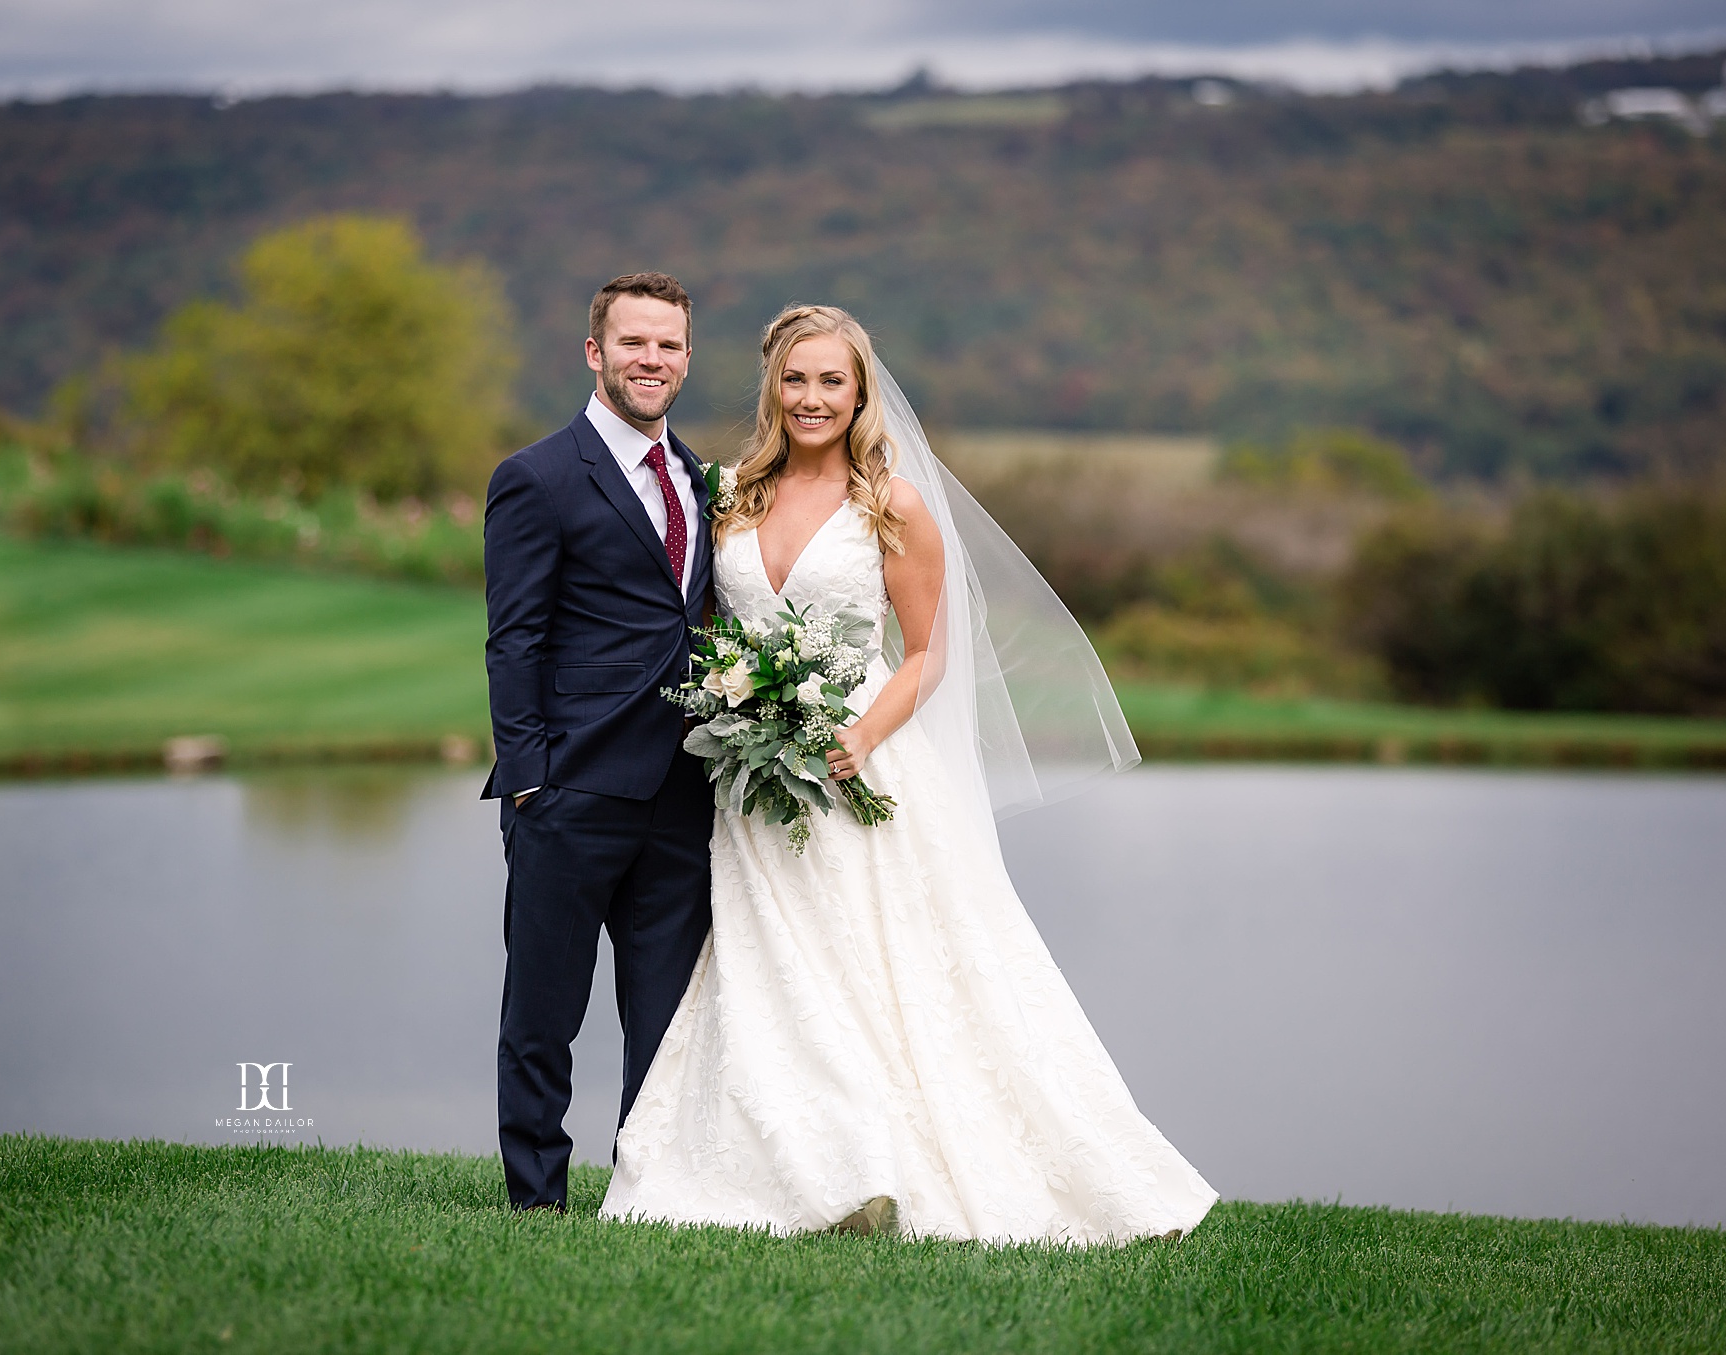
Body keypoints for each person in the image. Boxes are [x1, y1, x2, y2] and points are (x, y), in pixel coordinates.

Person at [600, 305, 1218, 1243]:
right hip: (751, 780)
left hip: (864, 769)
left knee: (894, 967)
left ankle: (919, 1164)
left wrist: (856, 735)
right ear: (772, 386)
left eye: (831, 382)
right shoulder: (729, 493)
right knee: (778, 969)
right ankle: (832, 1166)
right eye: (795, 380)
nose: (811, 398)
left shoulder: (890, 504)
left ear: (860, 393)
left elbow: (929, 651)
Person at [482, 272, 716, 1211]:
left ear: (687, 358)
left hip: (681, 794)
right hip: (570, 790)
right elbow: (514, 638)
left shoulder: (700, 476)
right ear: (595, 352)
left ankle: (646, 1192)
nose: (650, 360)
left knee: (663, 1020)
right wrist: (530, 777)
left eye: (667, 345)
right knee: (543, 1013)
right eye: (633, 343)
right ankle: (537, 1198)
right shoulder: (537, 476)